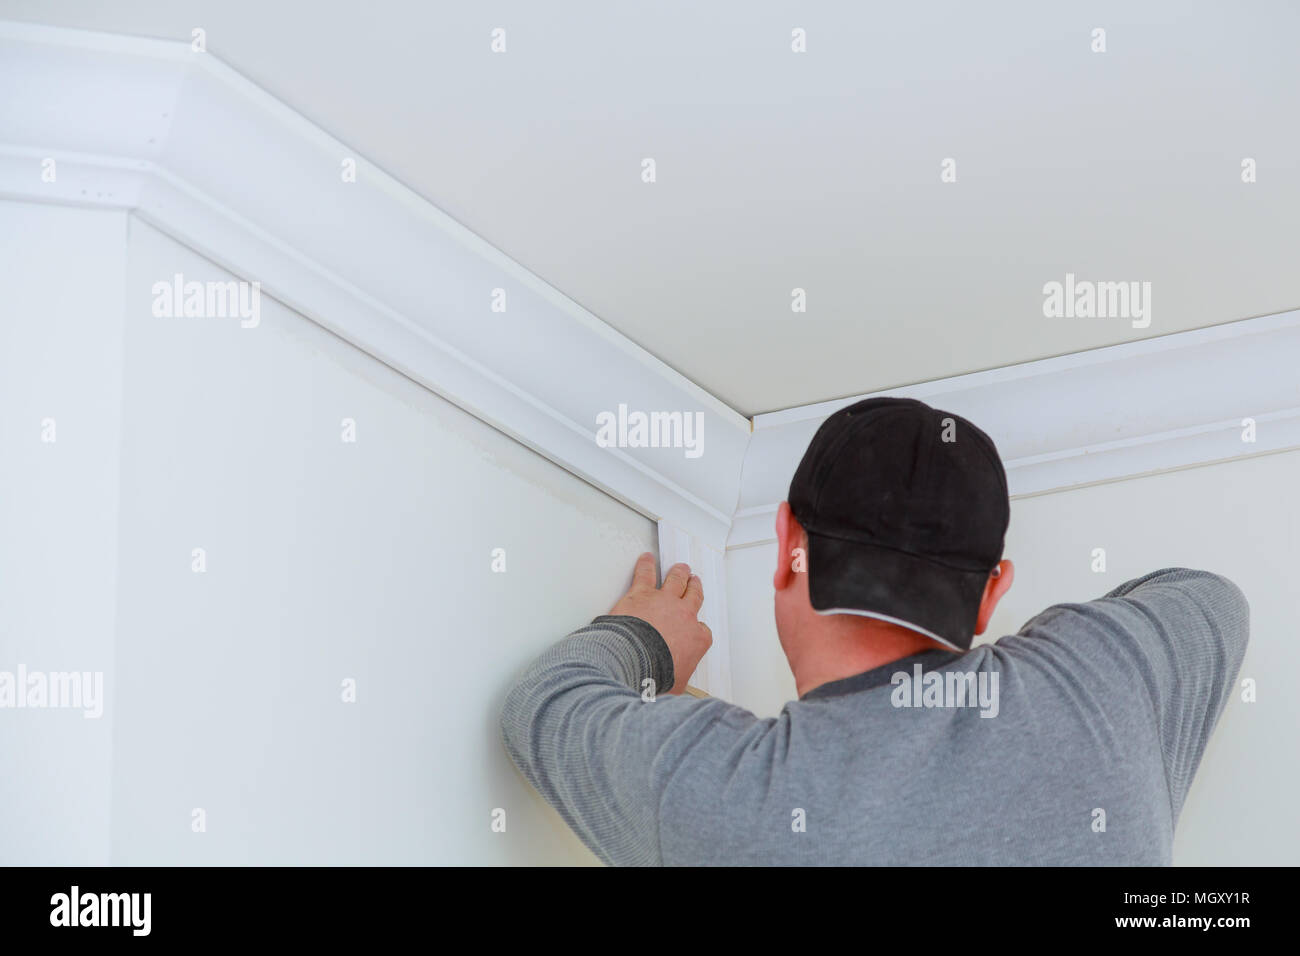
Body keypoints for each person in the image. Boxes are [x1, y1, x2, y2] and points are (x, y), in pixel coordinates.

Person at [500, 396, 1250, 865]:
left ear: (786, 546)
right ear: (992, 593)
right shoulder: (1105, 680)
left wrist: (648, 642)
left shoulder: (728, 793)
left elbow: (544, 700)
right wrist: (1045, 662)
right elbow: (1211, 599)